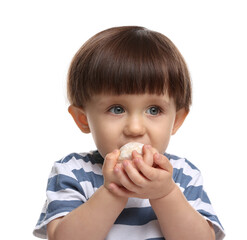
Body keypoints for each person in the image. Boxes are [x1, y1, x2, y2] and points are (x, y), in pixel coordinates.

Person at [33, 26, 225, 240]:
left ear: (176, 120)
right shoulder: (73, 171)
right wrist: (113, 191)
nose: (135, 128)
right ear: (83, 119)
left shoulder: (182, 175)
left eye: (154, 110)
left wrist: (166, 194)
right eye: (117, 109)